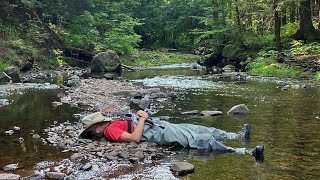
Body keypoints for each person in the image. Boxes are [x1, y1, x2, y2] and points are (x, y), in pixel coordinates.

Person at [79, 110, 264, 162]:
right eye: (101, 121)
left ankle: (236, 135)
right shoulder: (110, 131)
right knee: (198, 139)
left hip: (158, 125)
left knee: (197, 127)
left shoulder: (109, 124)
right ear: (97, 129)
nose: (105, 120)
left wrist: (139, 115)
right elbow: (135, 138)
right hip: (156, 132)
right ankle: (245, 152)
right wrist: (142, 118)